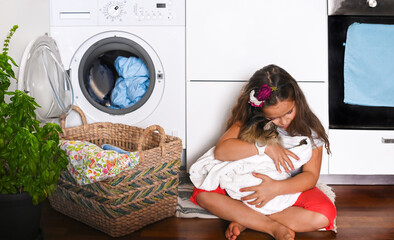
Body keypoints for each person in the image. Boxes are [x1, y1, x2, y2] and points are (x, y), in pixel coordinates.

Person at [190, 64, 336, 240]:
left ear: (297, 100)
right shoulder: (250, 121)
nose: (283, 121)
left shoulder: (309, 131)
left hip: (287, 187)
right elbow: (222, 152)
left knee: (324, 214)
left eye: (289, 112)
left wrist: (276, 189)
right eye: (273, 117)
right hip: (245, 185)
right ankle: (270, 226)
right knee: (203, 195)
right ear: (259, 110)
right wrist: (264, 147)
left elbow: (311, 176)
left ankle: (246, 218)